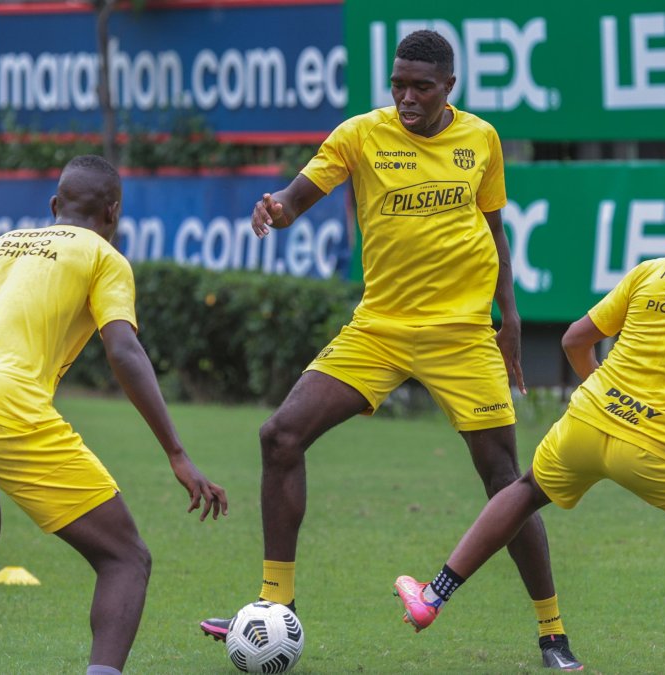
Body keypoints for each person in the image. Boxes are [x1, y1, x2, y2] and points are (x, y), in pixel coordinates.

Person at [198, 29, 580, 668]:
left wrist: (508, 317)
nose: (406, 97)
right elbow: (297, 197)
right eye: (398, 84)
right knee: (280, 436)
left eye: (421, 87)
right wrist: (275, 209)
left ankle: (553, 633)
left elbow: (495, 229)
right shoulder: (359, 135)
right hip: (380, 328)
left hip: (462, 335)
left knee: (504, 483)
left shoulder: (481, 140)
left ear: (449, 88)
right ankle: (274, 607)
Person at [396, 175, 665, 675]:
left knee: (526, 490)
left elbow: (575, 339)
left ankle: (433, 596)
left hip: (589, 422)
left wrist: (606, 394)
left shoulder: (653, 271)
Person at [0, 155, 227, 675]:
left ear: (55, 205)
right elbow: (123, 350)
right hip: (3, 406)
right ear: (112, 213)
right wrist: (176, 452)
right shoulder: (103, 256)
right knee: (125, 558)